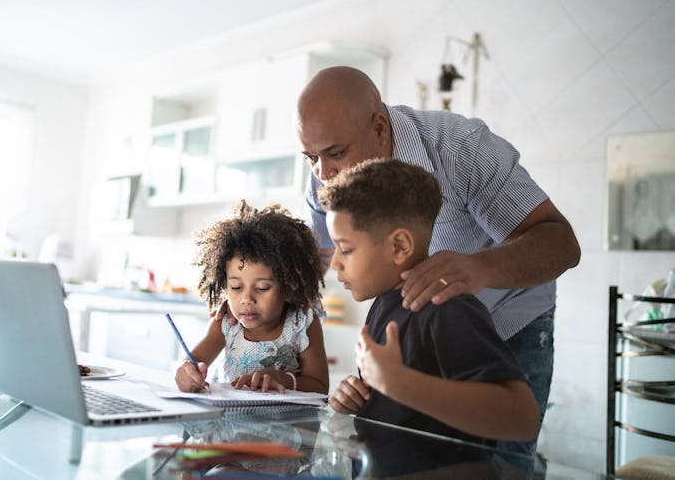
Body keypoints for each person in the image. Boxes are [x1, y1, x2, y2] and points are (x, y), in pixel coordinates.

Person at [296, 66, 580, 456]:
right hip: (420, 327)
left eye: (334, 154)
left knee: (501, 461)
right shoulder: (324, 174)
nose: (322, 174)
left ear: (379, 128)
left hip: (508, 320)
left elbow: (562, 243)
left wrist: (479, 268)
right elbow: (317, 261)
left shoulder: (461, 148)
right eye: (311, 157)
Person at [318, 158, 539, 449]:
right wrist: (359, 398)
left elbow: (522, 418)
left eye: (345, 249)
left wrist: (398, 383)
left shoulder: (446, 309)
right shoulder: (384, 305)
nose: (335, 263)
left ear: (399, 246)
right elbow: (403, 409)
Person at [175, 200, 329, 394]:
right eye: (236, 287)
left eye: (262, 288)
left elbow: (320, 387)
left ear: (289, 287)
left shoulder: (302, 324)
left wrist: (282, 379)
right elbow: (190, 362)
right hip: (229, 419)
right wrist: (185, 372)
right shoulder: (225, 324)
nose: (246, 299)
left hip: (286, 423)